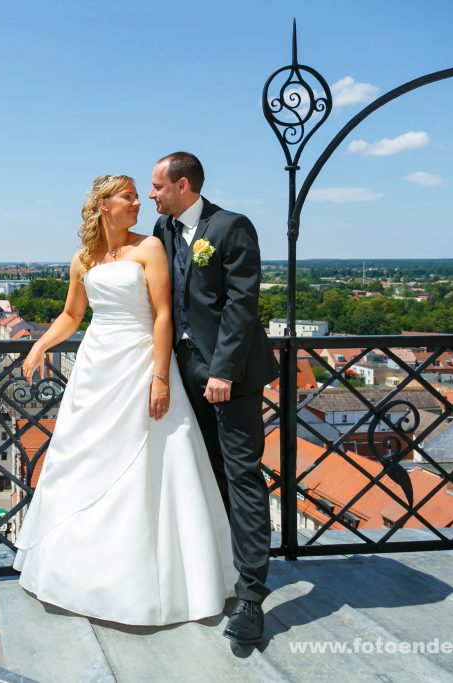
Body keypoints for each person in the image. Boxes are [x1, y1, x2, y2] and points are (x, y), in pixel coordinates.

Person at [12, 174, 238, 626]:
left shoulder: (149, 248)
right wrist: (39, 346)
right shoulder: (81, 259)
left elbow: (163, 315)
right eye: (128, 197)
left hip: (140, 365)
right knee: (83, 462)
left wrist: (159, 377)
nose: (139, 203)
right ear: (103, 205)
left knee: (149, 466)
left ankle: (155, 581)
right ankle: (78, 575)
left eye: (139, 195)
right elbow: (73, 315)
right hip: (96, 369)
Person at [150, 152, 279, 644]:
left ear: (183, 185)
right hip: (183, 377)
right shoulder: (163, 232)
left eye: (158, 186)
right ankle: (219, 572)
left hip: (232, 376)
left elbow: (242, 304)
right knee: (203, 473)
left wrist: (222, 370)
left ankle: (251, 595)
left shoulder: (231, 227)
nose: (152, 196)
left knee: (241, 475)